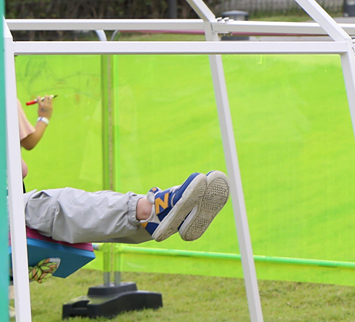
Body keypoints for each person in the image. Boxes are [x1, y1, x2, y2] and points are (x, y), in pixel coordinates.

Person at [16, 95, 230, 244]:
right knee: (52, 207)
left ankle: (165, 213)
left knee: (82, 205)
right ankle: (157, 210)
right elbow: (27, 152)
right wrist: (44, 117)